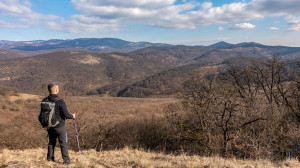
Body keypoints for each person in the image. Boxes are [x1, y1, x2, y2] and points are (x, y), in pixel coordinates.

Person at [41, 83, 75, 165]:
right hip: (59, 125)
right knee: (63, 143)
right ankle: (66, 161)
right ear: (56, 90)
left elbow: (41, 114)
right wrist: (73, 116)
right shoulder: (60, 101)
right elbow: (66, 115)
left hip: (49, 125)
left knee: (51, 142)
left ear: (49, 90)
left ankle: (50, 159)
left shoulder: (44, 100)